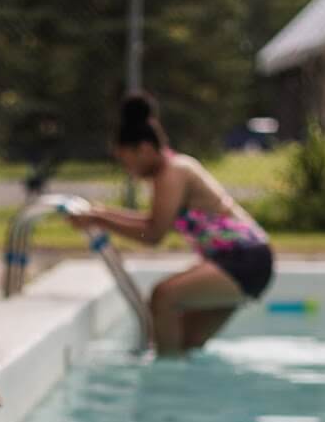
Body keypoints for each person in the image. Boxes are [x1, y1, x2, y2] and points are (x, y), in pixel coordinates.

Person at [68, 92, 274, 355]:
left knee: (163, 297)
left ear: (143, 149)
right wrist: (101, 214)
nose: (128, 170)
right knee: (184, 343)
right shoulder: (171, 170)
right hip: (240, 260)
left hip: (245, 259)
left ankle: (162, 387)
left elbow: (153, 234)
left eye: (125, 160)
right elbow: (152, 222)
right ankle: (178, 386)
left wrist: (98, 217)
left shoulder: (173, 172)